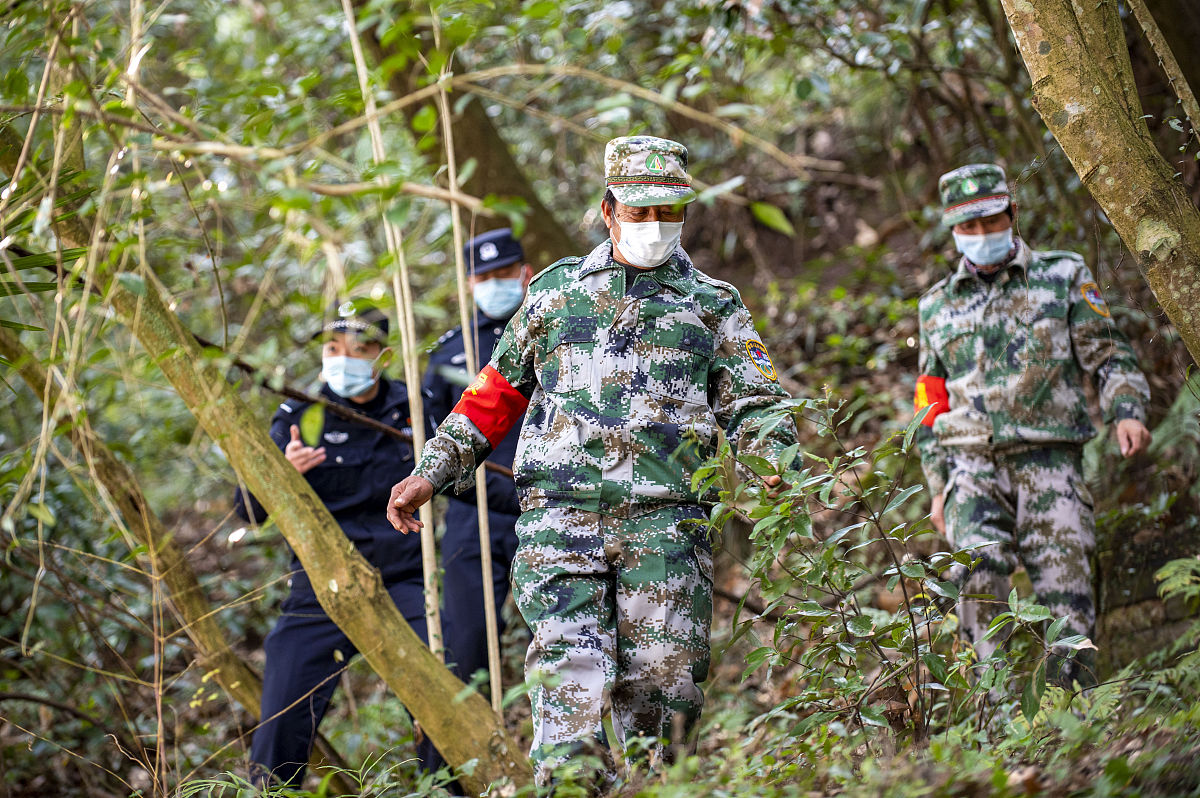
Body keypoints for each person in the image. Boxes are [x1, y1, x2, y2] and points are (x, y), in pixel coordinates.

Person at [388, 135, 798, 788]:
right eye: (639, 212)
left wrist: (777, 462)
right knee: (569, 704)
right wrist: (429, 472)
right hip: (561, 525)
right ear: (608, 211)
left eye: (669, 213)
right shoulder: (555, 294)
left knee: (662, 705)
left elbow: (756, 402)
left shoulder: (713, 304)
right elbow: (495, 395)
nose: (654, 226)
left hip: (666, 529)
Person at [914, 163, 1152, 684]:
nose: (981, 234)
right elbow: (930, 400)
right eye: (969, 226)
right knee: (975, 581)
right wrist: (937, 487)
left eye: (991, 221)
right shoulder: (935, 305)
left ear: (1012, 214)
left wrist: (1127, 411)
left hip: (1050, 460)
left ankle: (1076, 707)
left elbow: (1108, 353)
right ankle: (995, 711)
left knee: (1067, 592)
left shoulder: (1062, 275)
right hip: (971, 467)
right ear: (953, 229)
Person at [234, 299, 431, 787]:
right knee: (282, 714)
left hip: (403, 580)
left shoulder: (415, 408)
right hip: (321, 585)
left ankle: (448, 787)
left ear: (382, 356)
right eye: (333, 348)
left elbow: (461, 473)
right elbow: (247, 510)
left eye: (358, 348)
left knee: (444, 693)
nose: (344, 358)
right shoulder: (300, 413)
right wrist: (281, 476)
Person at [422, 227, 531, 696]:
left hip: (550, 504)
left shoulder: (560, 334)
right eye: (483, 277)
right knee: (466, 643)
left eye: (503, 273)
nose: (494, 284)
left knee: (564, 636)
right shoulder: (450, 351)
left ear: (525, 273)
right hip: (475, 513)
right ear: (469, 284)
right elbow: (433, 437)